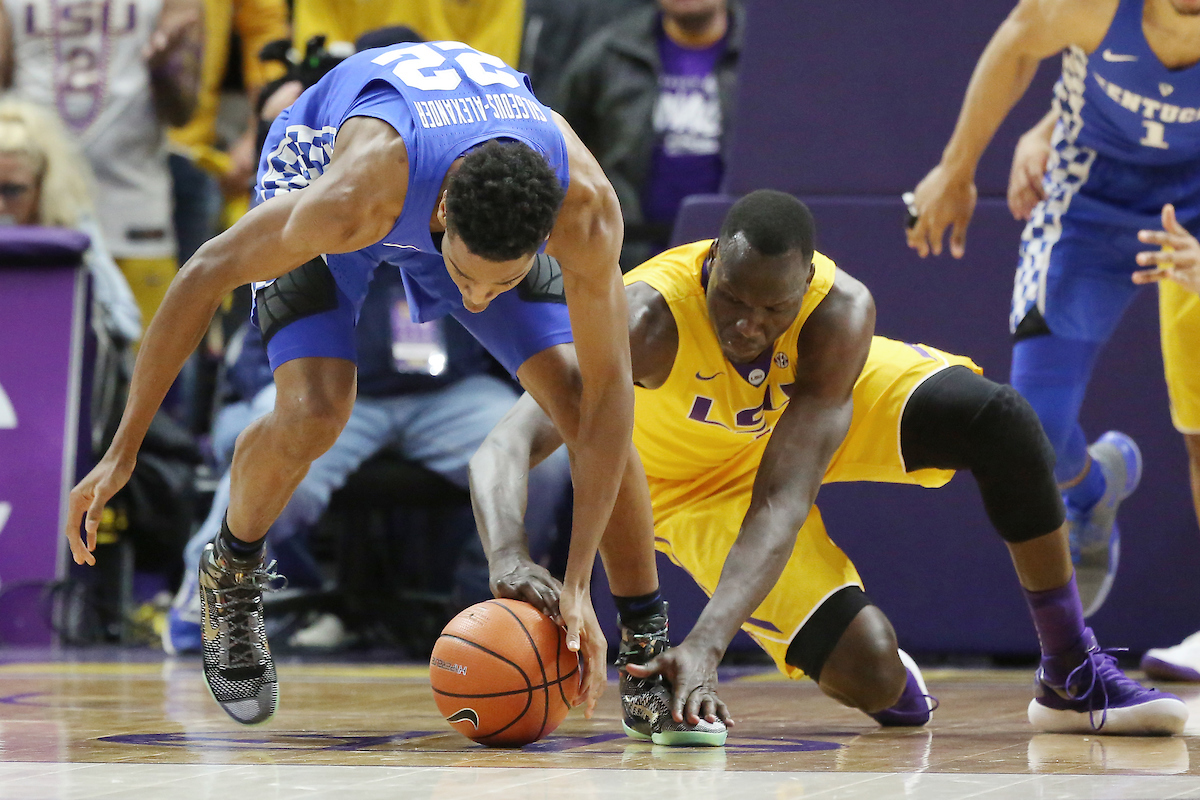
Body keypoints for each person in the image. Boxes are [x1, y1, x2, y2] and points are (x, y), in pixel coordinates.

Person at [62, 39, 724, 744]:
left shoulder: (584, 209)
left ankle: (647, 651)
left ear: (545, 233)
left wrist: (577, 583)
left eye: (499, 283)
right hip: (338, 161)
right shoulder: (348, 197)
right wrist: (122, 449)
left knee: (573, 397)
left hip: (463, 176)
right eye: (467, 279)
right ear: (441, 212)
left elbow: (610, 404)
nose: (474, 305)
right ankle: (231, 571)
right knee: (317, 408)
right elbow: (202, 273)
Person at [469, 190, 1189, 737]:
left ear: (807, 283)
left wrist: (710, 642)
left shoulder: (838, 314)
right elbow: (504, 444)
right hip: (692, 488)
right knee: (877, 682)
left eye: (771, 308)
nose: (747, 325)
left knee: (999, 420)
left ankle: (1070, 670)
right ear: (711, 265)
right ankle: (878, 665)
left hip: (802, 422)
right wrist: (506, 552)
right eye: (732, 300)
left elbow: (785, 493)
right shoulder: (645, 320)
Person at [905, 0, 1200, 618]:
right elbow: (1017, 41)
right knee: (1032, 430)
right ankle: (1093, 490)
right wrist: (957, 169)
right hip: (1090, 210)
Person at [162, 264, 572, 654]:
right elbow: (256, 341)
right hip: (342, 393)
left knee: (544, 459)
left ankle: (487, 603)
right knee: (280, 462)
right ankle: (204, 600)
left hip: (451, 394)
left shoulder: (463, 219)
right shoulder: (331, 210)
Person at [1, 0, 205, 331]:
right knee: (33, 368)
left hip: (136, 215)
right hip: (35, 226)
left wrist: (166, 68)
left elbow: (183, 111)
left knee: (148, 377)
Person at [557, 0, 741, 270]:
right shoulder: (609, 53)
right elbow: (556, 143)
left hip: (738, 256)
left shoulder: (768, 54)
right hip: (627, 253)